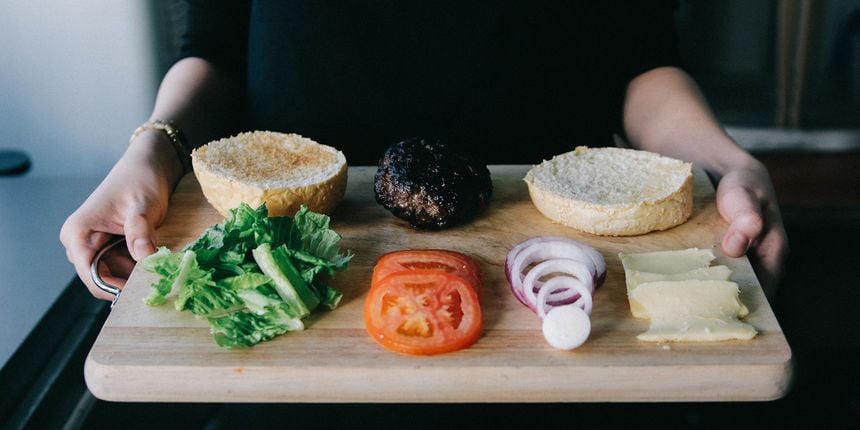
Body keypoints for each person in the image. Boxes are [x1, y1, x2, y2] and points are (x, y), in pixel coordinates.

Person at [61, 1, 787, 300]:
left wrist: (730, 162)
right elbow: (212, 50)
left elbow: (643, 62)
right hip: (294, 264)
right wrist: (150, 153)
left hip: (557, 263)